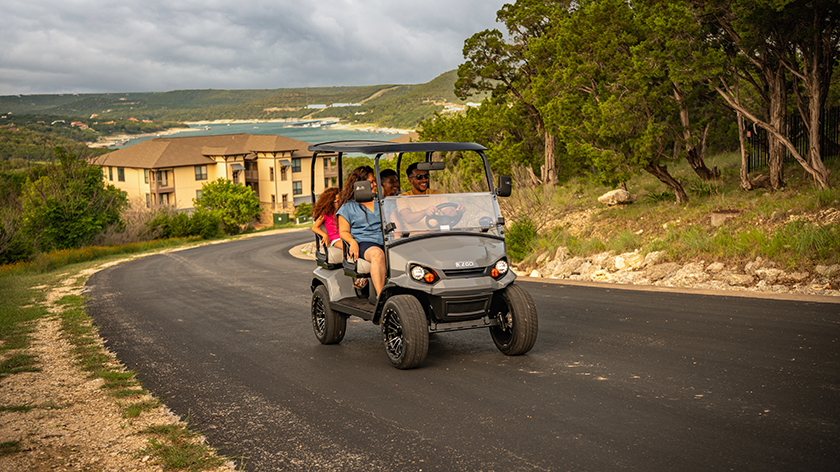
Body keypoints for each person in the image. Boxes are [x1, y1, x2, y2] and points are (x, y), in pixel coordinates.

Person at [336, 166, 386, 296]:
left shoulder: (381, 202)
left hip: (385, 240)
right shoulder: (348, 207)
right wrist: (352, 242)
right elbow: (343, 231)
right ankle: (381, 297)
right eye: (371, 182)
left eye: (375, 181)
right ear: (360, 184)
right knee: (377, 254)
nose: (375, 184)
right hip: (364, 243)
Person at [398, 162, 464, 225]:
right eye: (419, 177)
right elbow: (408, 218)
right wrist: (425, 212)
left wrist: (457, 211)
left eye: (426, 176)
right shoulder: (403, 197)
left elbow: (448, 212)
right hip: (415, 236)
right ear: (410, 180)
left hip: (436, 234)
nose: (424, 180)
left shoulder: (437, 194)